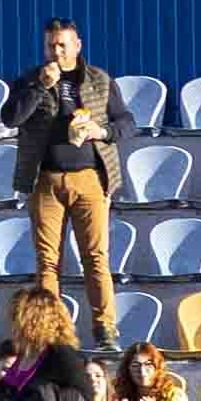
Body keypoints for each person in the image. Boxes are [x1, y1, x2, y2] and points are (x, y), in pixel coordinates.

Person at [7, 20, 123, 323]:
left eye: (62, 45)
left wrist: (102, 132)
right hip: (45, 179)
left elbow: (126, 122)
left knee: (96, 258)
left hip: (90, 178)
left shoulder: (99, 79)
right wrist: (40, 87)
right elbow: (11, 118)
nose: (56, 51)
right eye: (51, 45)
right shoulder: (30, 79)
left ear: (77, 46)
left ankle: (105, 330)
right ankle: (51, 332)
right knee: (48, 262)